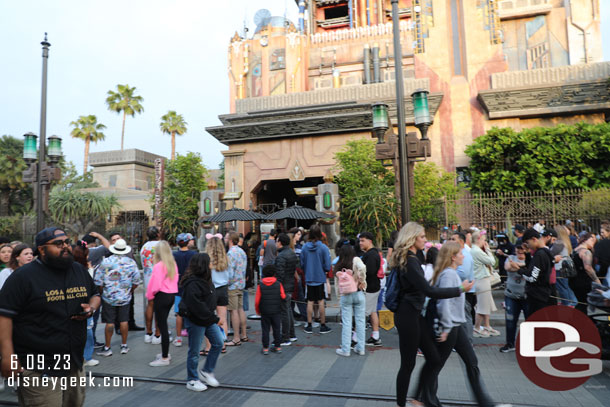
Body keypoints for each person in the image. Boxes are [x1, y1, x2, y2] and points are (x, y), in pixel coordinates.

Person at [0, 227, 101, 407]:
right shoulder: (23, 277)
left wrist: (91, 308)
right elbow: (4, 316)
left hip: (74, 362)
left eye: (67, 242)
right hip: (39, 366)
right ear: (41, 249)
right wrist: (8, 356)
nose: (65, 247)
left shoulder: (78, 270)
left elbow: (95, 295)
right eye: (58, 244)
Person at [391, 222, 473, 407]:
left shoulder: (413, 257)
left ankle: (419, 398)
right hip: (407, 315)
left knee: (434, 359)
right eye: (422, 237)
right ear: (412, 239)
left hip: (415, 314)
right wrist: (459, 289)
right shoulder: (409, 261)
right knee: (408, 364)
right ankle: (403, 404)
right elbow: (429, 290)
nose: (426, 240)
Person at [432, 241, 504, 407]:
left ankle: (484, 402)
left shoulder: (452, 273)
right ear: (453, 257)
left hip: (457, 327)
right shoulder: (449, 274)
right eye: (461, 254)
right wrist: (446, 327)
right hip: (451, 327)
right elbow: (444, 303)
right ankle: (425, 397)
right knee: (436, 365)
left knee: (471, 362)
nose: (464, 256)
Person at [180, 253, 223, 392]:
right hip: (196, 320)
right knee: (194, 351)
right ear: (204, 265)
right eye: (210, 262)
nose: (212, 264)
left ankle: (207, 371)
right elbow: (197, 306)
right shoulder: (192, 283)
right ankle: (192, 379)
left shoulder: (206, 279)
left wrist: (212, 317)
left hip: (207, 318)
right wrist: (215, 319)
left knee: (218, 342)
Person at [94, 239, 141, 357]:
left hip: (108, 297)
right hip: (125, 297)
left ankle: (107, 347)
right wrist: (129, 291)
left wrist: (103, 292)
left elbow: (98, 282)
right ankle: (124, 345)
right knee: (124, 321)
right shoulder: (131, 262)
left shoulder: (106, 262)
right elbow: (136, 281)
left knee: (109, 322)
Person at [146, 241, 179, 366]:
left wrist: (149, 296)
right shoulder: (172, 264)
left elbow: (154, 285)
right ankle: (165, 353)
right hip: (171, 296)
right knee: (163, 324)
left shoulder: (159, 266)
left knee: (162, 326)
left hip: (161, 296)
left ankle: (164, 357)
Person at [334, 243, 367, 357]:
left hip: (346, 295)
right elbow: (362, 268)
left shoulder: (339, 264)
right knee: (361, 321)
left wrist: (339, 298)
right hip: (358, 293)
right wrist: (362, 280)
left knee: (347, 323)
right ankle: (361, 348)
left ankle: (346, 349)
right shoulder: (356, 259)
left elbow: (337, 285)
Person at [109, 232, 144, 332]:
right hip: (115, 285)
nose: (116, 241)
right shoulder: (110, 252)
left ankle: (131, 324)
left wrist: (133, 286)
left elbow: (134, 269)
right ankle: (118, 327)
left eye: (118, 238)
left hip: (128, 284)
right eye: (114, 240)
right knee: (117, 308)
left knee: (130, 305)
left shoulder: (129, 251)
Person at [301, 224, 332, 334]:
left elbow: (302, 263)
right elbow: (328, 266)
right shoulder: (323, 247)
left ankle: (309, 324)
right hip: (320, 277)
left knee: (309, 301)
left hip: (309, 277)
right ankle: (322, 325)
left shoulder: (304, 247)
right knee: (320, 301)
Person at [72, 241, 99, 367]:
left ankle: (86, 356)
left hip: (87, 306)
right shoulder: (78, 270)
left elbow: (94, 292)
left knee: (88, 331)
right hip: (79, 305)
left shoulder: (85, 268)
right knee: (86, 332)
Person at [519, 229, 557, 317]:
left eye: (528, 243)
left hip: (537, 296)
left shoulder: (540, 254)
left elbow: (532, 277)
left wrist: (519, 271)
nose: (528, 246)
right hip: (542, 294)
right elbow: (533, 269)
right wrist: (528, 254)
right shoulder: (545, 253)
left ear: (534, 239)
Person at [202, 234, 229, 355]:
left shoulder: (206, 260)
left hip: (210, 290)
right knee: (222, 319)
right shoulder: (226, 259)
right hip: (223, 289)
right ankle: (222, 345)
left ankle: (209, 347)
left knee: (209, 319)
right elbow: (231, 276)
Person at [471, 231, 499, 338]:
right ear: (478, 239)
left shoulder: (474, 250)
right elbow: (492, 261)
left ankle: (487, 325)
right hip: (481, 279)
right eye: (483, 239)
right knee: (483, 306)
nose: (485, 242)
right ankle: (477, 328)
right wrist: (488, 250)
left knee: (486, 304)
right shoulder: (477, 251)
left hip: (482, 279)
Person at [500, 244, 528, 353]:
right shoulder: (510, 258)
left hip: (526, 296)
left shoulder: (531, 259)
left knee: (528, 320)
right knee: (510, 320)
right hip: (511, 295)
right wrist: (522, 267)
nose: (519, 253)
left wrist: (517, 266)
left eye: (522, 251)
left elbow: (529, 269)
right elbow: (507, 267)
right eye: (518, 251)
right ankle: (510, 343)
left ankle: (528, 344)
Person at [172, 233, 197, 347]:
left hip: (178, 286)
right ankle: (193, 337)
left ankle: (178, 338)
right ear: (188, 242)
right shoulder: (194, 254)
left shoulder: (174, 255)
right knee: (192, 312)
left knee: (179, 313)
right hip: (191, 286)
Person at [255, 264, 286, 355]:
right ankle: (277, 346)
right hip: (276, 310)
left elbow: (257, 301)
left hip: (265, 311)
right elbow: (283, 296)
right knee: (276, 329)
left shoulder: (260, 285)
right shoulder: (278, 284)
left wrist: (258, 311)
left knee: (265, 329)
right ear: (274, 273)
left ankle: (265, 348)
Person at [274, 233, 298, 346]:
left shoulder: (281, 256)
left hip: (283, 286)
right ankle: (291, 334)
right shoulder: (291, 253)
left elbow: (280, 274)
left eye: (277, 241)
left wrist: (277, 286)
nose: (275, 243)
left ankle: (285, 337)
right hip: (290, 284)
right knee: (288, 310)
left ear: (280, 242)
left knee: (285, 311)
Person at [359, 231, 382, 346]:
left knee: (362, 314)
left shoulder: (371, 255)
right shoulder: (372, 253)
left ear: (370, 241)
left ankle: (355, 339)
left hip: (369, 288)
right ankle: (375, 336)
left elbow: (370, 271)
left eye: (363, 240)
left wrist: (360, 277)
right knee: (373, 312)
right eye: (360, 240)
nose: (360, 243)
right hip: (374, 287)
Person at [570, 232, 601, 314]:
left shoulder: (575, 250)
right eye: (591, 240)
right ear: (585, 240)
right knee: (584, 304)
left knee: (582, 302)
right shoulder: (586, 252)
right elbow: (588, 267)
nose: (593, 242)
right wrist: (597, 280)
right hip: (584, 282)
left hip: (574, 281)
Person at [226, 231, 248, 346]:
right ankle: (244, 334)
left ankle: (236, 337)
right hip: (241, 284)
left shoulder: (230, 253)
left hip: (233, 285)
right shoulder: (242, 251)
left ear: (230, 239)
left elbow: (230, 272)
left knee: (233, 311)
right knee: (240, 309)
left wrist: (227, 283)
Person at [141, 226, 161, 344]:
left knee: (150, 305)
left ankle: (148, 332)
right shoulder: (162, 245)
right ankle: (158, 334)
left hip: (148, 279)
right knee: (159, 307)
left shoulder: (144, 247)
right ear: (157, 234)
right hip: (160, 279)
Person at [452, 232, 476, 327]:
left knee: (466, 318)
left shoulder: (464, 255)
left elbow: (463, 274)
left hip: (466, 290)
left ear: (461, 242)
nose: (450, 241)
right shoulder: (459, 253)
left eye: (453, 239)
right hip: (462, 289)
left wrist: (450, 271)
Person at [552, 226, 577, 307]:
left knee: (561, 288)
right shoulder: (566, 242)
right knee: (565, 286)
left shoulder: (559, 243)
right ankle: (573, 301)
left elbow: (551, 253)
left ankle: (567, 303)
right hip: (564, 268)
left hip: (559, 267)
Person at [594, 221, 610, 287]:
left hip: (603, 268)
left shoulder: (601, 243)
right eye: (601, 232)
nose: (601, 234)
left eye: (603, 232)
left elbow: (596, 257)